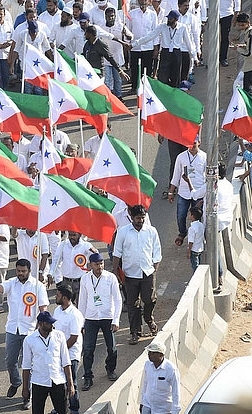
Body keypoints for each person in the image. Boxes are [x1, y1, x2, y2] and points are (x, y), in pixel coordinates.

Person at [0, 259, 48, 410]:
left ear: (29, 270)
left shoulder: (37, 286)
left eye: (23, 271)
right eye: (18, 271)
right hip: (12, 329)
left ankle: (26, 396)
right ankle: (16, 382)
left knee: (28, 365)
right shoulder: (12, 283)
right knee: (10, 361)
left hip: (30, 331)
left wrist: (41, 328)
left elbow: (43, 309)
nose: (20, 273)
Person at [113, 204, 161, 345]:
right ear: (132, 218)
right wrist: (115, 271)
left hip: (148, 272)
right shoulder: (123, 232)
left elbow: (157, 252)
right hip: (129, 274)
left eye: (142, 218)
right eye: (138, 218)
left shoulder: (151, 231)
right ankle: (135, 332)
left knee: (149, 299)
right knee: (133, 305)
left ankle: (149, 319)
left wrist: (154, 268)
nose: (140, 220)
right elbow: (117, 253)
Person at [21, 311, 75, 414]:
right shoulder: (29, 340)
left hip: (58, 380)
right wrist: (25, 388)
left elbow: (66, 362)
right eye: (49, 323)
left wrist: (70, 384)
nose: (52, 325)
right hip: (38, 382)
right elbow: (26, 366)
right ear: (40, 323)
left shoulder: (59, 335)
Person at [78, 252, 122, 391]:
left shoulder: (111, 278)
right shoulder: (85, 279)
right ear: (90, 265)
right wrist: (82, 323)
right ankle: (88, 377)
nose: (99, 266)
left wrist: (116, 320)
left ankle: (110, 369)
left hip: (107, 317)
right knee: (88, 349)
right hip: (91, 318)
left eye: (101, 263)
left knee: (112, 347)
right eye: (96, 264)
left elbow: (118, 299)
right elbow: (82, 301)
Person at [131, 10, 197, 88]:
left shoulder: (182, 27)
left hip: (176, 53)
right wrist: (134, 44)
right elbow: (150, 36)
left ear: (176, 19)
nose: (168, 20)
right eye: (168, 18)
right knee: (162, 77)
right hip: (165, 52)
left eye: (171, 19)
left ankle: (173, 95)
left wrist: (195, 57)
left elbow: (189, 43)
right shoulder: (162, 26)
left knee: (175, 77)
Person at [52, 284, 84, 414]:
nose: (56, 297)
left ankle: (74, 410)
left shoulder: (75, 315)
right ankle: (61, 407)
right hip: (57, 354)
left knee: (72, 384)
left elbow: (74, 337)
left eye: (58, 295)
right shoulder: (57, 311)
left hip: (71, 355)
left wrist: (61, 352)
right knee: (59, 383)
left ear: (64, 298)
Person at [167, 138, 206, 247]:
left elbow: (208, 176)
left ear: (199, 142)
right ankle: (182, 232)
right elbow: (176, 176)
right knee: (181, 215)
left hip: (198, 193)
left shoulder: (204, 157)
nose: (192, 146)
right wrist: (171, 192)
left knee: (198, 217)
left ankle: (197, 237)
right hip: (184, 193)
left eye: (194, 143)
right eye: (190, 144)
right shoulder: (181, 157)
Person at [47, 231, 97, 303]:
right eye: (70, 235)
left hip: (80, 282)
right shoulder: (63, 244)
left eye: (74, 235)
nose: (72, 237)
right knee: (65, 307)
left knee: (80, 306)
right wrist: (50, 274)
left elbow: (96, 258)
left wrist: (95, 252)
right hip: (66, 282)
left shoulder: (86, 245)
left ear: (80, 234)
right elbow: (56, 260)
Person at [140, 342, 181, 414]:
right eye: (149, 352)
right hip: (148, 406)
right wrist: (142, 402)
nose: (149, 354)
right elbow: (145, 384)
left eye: (153, 353)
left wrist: (175, 413)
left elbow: (176, 392)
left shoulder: (171, 370)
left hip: (163, 410)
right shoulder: (147, 365)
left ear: (160, 354)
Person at [127, 0, 157, 93]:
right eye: (141, 0)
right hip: (135, 47)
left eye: (145, 1)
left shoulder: (152, 14)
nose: (143, 2)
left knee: (147, 68)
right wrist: (127, 43)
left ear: (148, 2)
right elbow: (128, 30)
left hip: (148, 47)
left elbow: (155, 32)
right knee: (134, 68)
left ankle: (146, 88)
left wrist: (156, 48)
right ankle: (134, 87)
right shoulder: (131, 14)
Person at [234, 13, 252, 93]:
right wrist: (241, 46)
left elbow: (248, 53)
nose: (240, 27)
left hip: (250, 66)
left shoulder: (250, 35)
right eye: (239, 25)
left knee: (247, 90)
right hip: (249, 65)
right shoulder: (247, 33)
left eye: (242, 25)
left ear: (248, 23)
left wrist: (237, 49)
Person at [187, 206, 204, 272]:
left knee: (195, 267)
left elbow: (191, 242)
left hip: (194, 250)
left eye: (190, 214)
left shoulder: (192, 228)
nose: (189, 215)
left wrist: (188, 252)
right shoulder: (201, 225)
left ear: (192, 216)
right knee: (199, 265)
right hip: (200, 248)